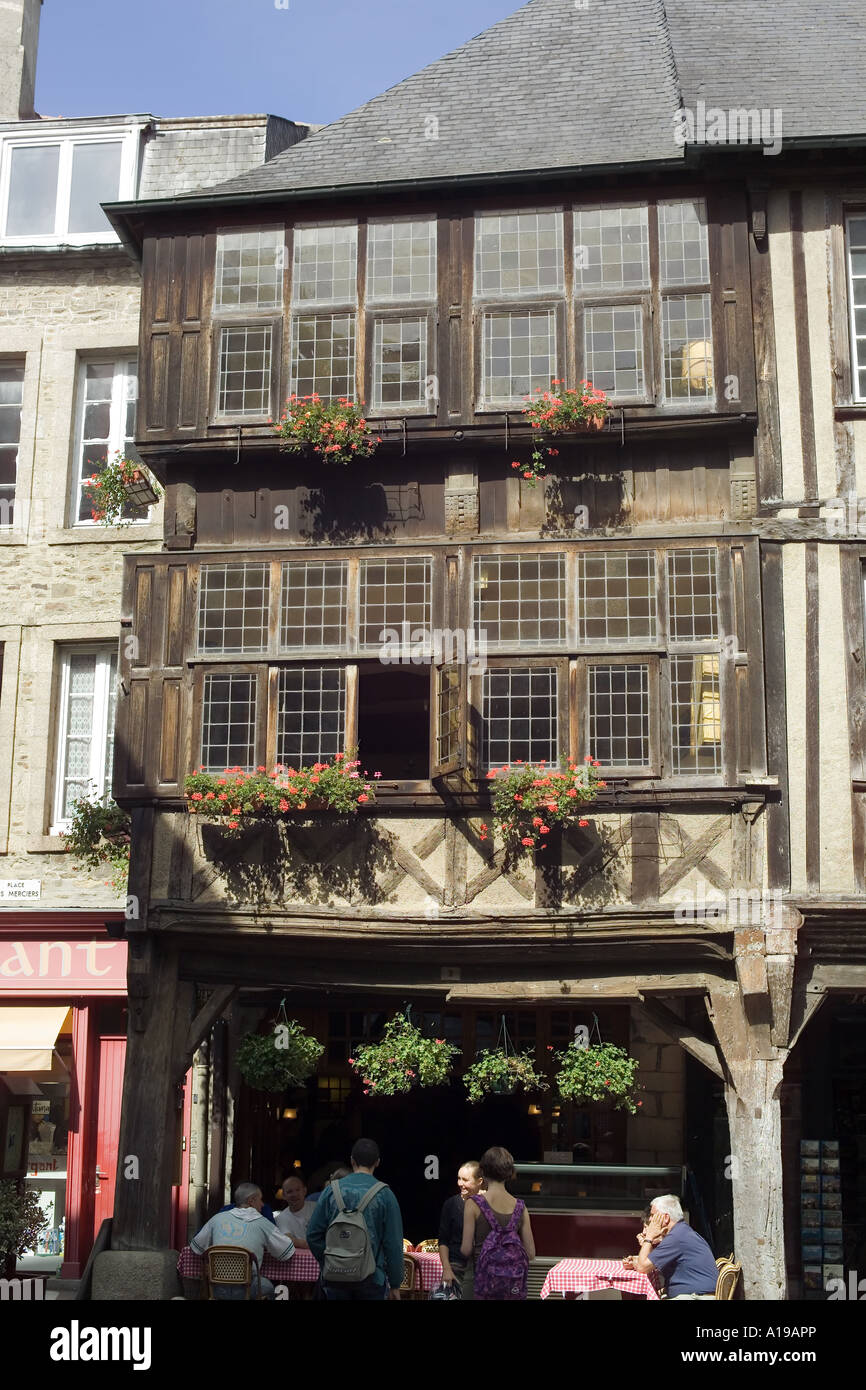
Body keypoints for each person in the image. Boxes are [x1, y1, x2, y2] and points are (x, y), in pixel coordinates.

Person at [307, 1138, 404, 1301]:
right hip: (372, 1277)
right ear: (378, 1162)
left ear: (352, 1160)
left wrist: (331, 1260)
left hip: (335, 1278)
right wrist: (395, 1284)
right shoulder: (385, 1194)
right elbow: (393, 1243)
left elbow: (312, 1234)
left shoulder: (331, 1190)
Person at [190, 1182, 295, 1299]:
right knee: (270, 1288)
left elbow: (196, 1248)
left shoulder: (217, 1219)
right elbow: (286, 1252)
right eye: (260, 1199)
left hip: (216, 1289)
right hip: (248, 1289)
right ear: (251, 1200)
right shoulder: (263, 1223)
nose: (262, 1204)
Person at [460, 1146, 535, 1301]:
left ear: (484, 1172)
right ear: (509, 1172)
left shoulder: (473, 1204)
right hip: (512, 1289)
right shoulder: (521, 1207)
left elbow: (466, 1249)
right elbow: (531, 1253)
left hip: (483, 1285)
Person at [623, 1194, 718, 1299]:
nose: (650, 1218)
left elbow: (643, 1267)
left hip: (696, 1297)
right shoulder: (680, 1232)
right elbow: (649, 1263)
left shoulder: (676, 1237)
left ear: (665, 1218)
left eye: (653, 1215)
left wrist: (649, 1237)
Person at [438, 1160, 483, 1296]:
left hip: (482, 1269)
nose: (460, 1183)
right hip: (455, 1269)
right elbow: (443, 1240)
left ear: (479, 1181)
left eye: (465, 1180)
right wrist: (446, 1268)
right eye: (459, 1178)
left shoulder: (488, 1205)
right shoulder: (451, 1204)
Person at [275, 1173, 317, 1246]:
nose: (294, 1194)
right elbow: (288, 1240)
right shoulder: (281, 1218)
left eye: (298, 1190)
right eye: (289, 1192)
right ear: (284, 1196)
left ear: (304, 1191)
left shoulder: (317, 1208)